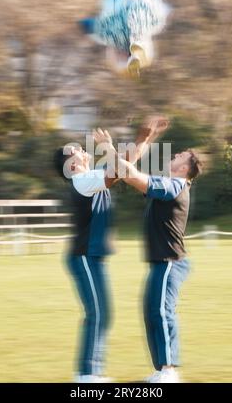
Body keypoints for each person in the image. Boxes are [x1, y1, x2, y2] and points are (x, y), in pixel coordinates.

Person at [53, 117, 168, 383]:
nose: (82, 150)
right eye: (76, 151)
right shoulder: (82, 181)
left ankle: (91, 373)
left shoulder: (89, 178)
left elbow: (125, 165)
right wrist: (107, 146)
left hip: (92, 258)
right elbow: (119, 169)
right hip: (84, 257)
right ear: (70, 165)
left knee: (102, 313)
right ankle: (88, 374)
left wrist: (145, 139)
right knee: (99, 314)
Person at [93, 127, 202, 383]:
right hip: (160, 263)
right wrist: (144, 140)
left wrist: (108, 147)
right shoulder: (169, 184)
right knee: (151, 311)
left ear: (185, 169)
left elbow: (130, 174)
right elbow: (128, 174)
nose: (175, 154)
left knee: (162, 312)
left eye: (181, 155)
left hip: (170, 262)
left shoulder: (175, 184)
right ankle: (160, 370)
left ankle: (169, 371)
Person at [79, 0, 172, 77]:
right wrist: (92, 27)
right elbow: (104, 25)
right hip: (119, 40)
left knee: (138, 35)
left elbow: (159, 14)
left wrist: (160, 11)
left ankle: (136, 54)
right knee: (113, 47)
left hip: (141, 37)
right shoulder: (112, 2)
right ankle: (127, 62)